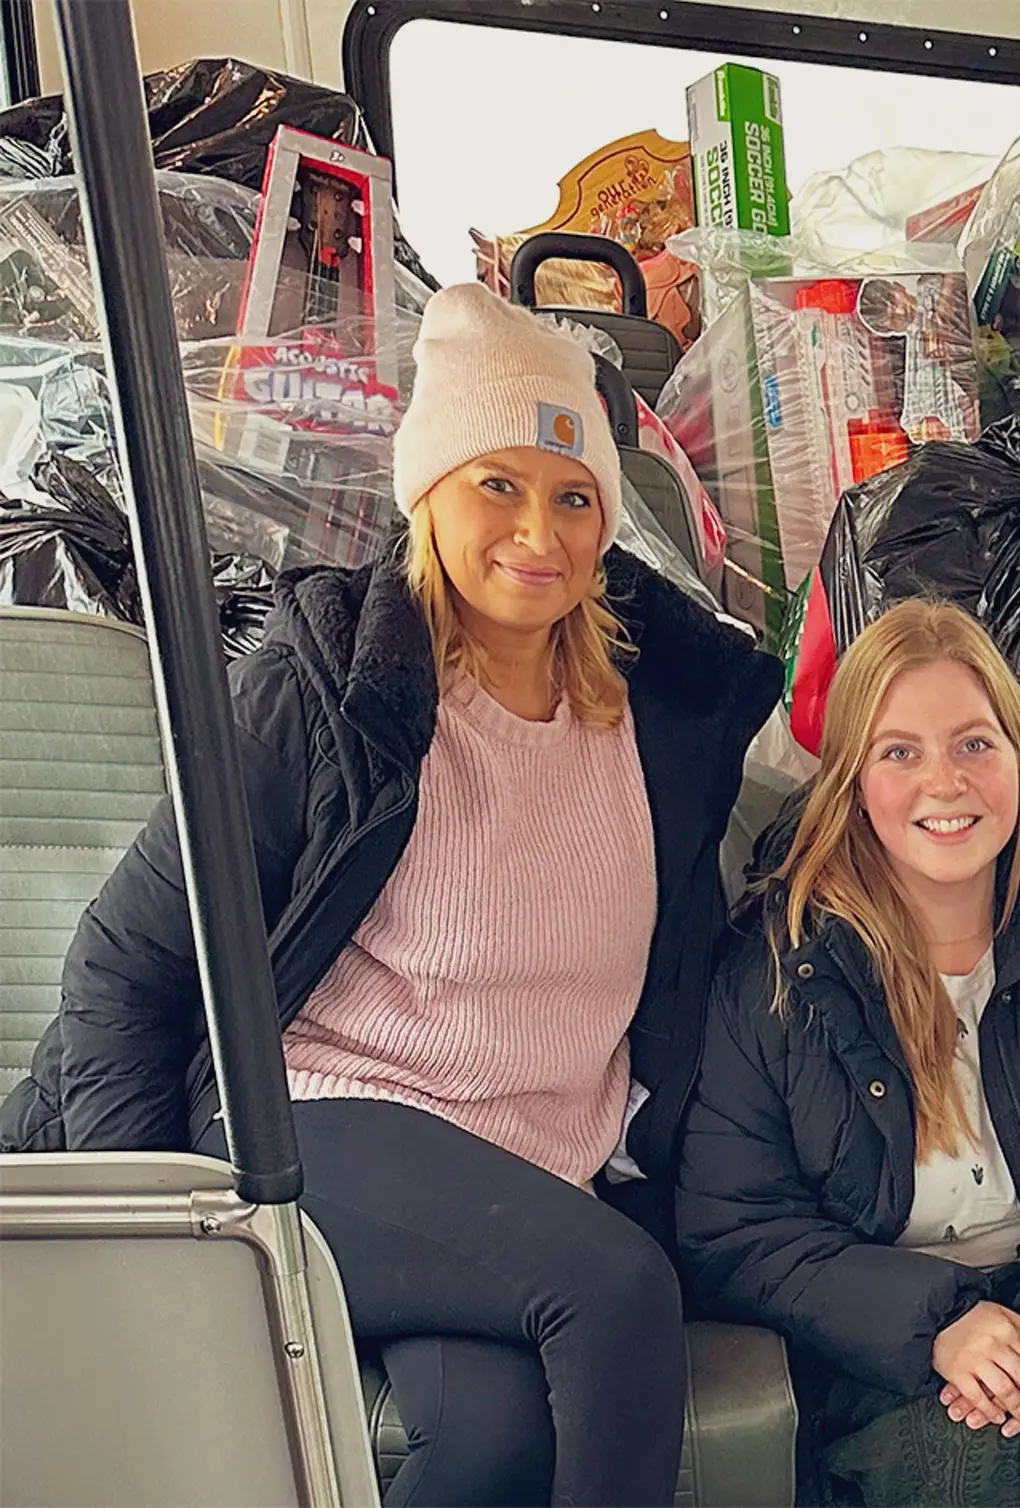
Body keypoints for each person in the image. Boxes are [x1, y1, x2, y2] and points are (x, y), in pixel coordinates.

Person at [1, 284, 782, 1508]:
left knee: (496, 1440)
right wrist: (160, 1252)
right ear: (430, 491)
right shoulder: (328, 692)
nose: (541, 529)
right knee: (620, 1290)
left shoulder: (664, 716)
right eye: (497, 484)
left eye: (574, 496)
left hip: (535, 1160)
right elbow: (126, 966)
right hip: (326, 1116)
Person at [677, 600, 1020, 1508]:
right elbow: (734, 1230)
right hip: (886, 1333)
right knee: (962, 1458)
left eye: (976, 744)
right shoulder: (781, 965)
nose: (946, 781)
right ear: (855, 778)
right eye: (901, 752)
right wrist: (939, 1325)